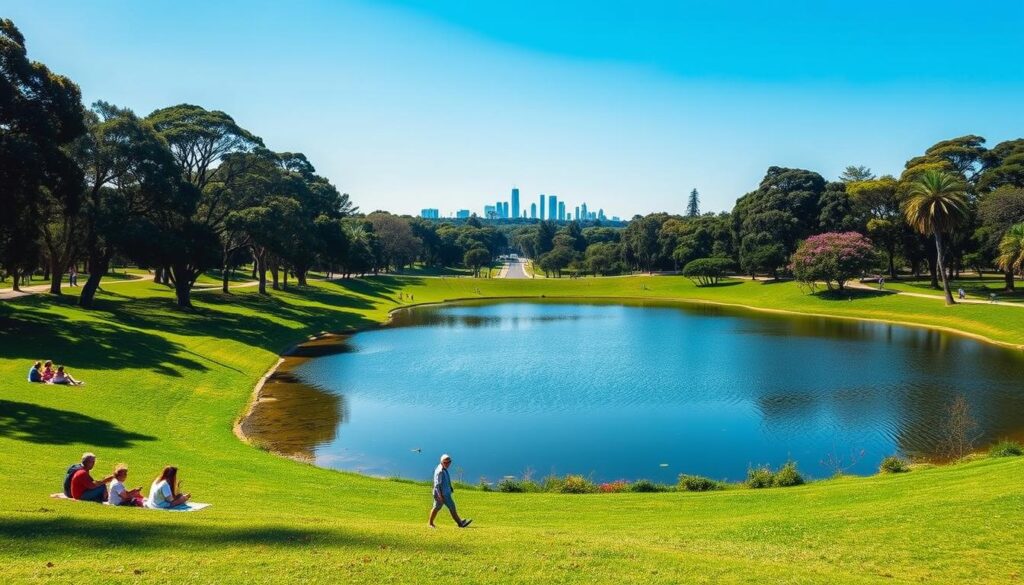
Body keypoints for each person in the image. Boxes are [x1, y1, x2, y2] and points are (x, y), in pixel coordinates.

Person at [428, 454, 471, 528]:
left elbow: (445, 480)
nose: (448, 464)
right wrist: (440, 496)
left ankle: (459, 521)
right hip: (442, 495)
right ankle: (460, 524)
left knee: (438, 508)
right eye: (446, 462)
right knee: (450, 507)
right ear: (442, 462)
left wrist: (450, 487)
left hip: (445, 493)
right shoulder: (440, 471)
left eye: (449, 462)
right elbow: (437, 485)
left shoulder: (443, 468)